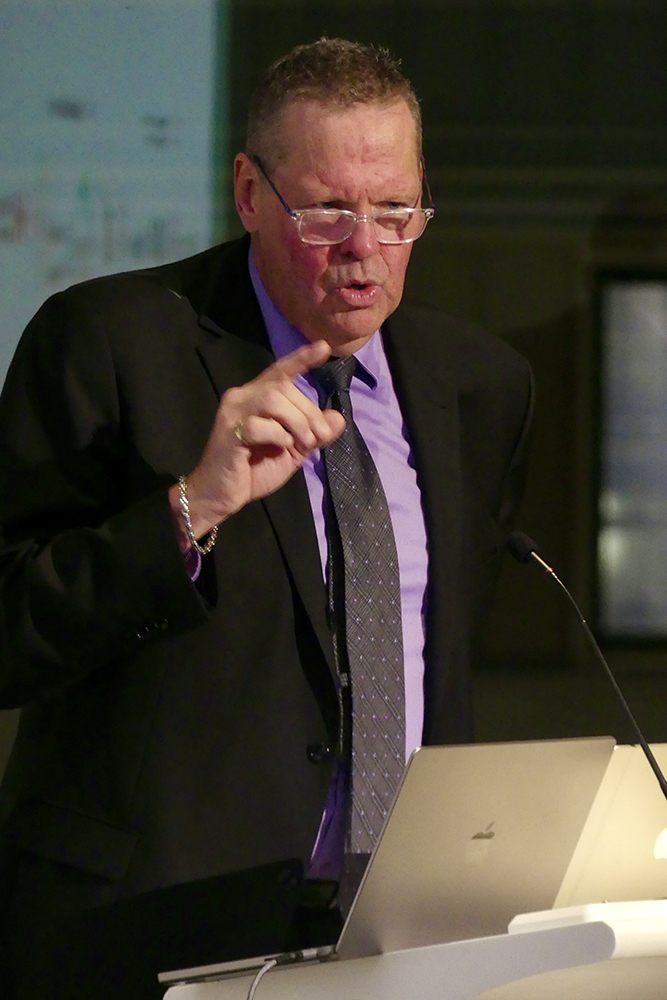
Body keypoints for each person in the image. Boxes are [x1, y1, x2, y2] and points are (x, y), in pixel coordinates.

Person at [0, 37, 533, 988]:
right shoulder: (110, 343)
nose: (364, 248)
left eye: (395, 210)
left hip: (390, 939)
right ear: (249, 192)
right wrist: (189, 509)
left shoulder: (483, 387)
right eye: (327, 210)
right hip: (149, 936)